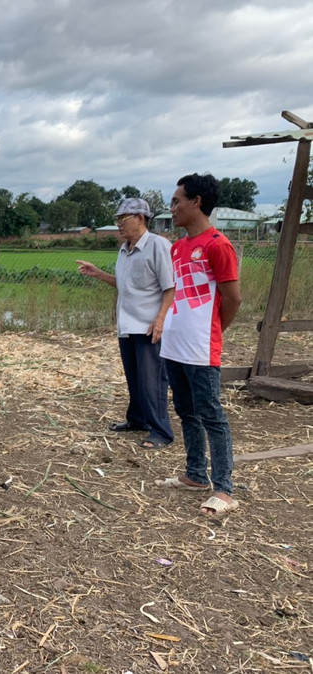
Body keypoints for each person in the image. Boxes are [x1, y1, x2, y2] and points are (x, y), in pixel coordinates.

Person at [154, 173, 242, 516]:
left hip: (201, 347)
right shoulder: (178, 247)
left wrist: (213, 331)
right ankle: (195, 474)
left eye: (177, 201)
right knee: (186, 411)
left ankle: (224, 488)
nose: (172, 207)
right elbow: (177, 293)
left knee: (212, 415)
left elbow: (232, 299)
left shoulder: (218, 244)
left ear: (197, 202)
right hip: (175, 344)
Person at [77, 198, 175, 449]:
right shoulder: (125, 250)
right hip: (127, 324)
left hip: (148, 325)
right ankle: (138, 420)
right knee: (135, 377)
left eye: (123, 219)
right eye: (117, 220)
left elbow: (170, 287)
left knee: (153, 379)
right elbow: (125, 284)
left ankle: (161, 431)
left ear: (140, 219)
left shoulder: (158, 246)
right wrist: (98, 273)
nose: (119, 225)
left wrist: (160, 319)